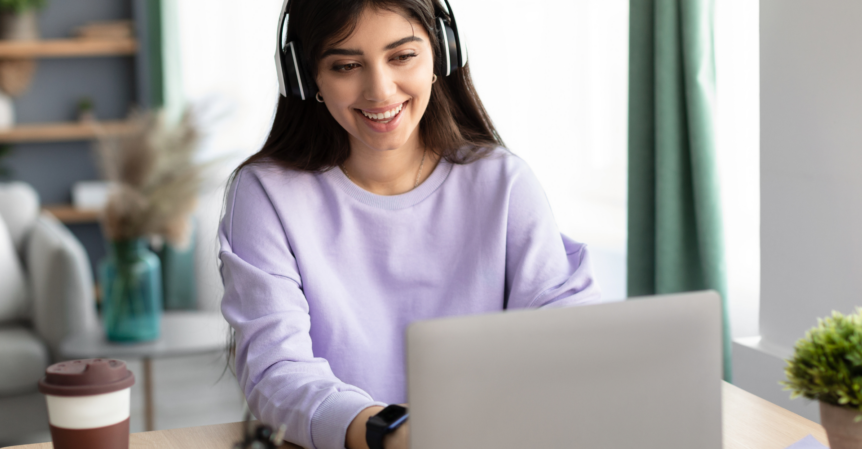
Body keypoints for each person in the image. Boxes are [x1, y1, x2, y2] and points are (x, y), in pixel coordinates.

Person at [218, 1, 602, 448]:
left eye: (402, 56)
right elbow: (276, 371)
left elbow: (567, 329)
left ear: (442, 53)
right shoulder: (267, 193)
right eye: (346, 65)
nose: (380, 90)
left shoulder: (503, 181)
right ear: (307, 78)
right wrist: (390, 434)